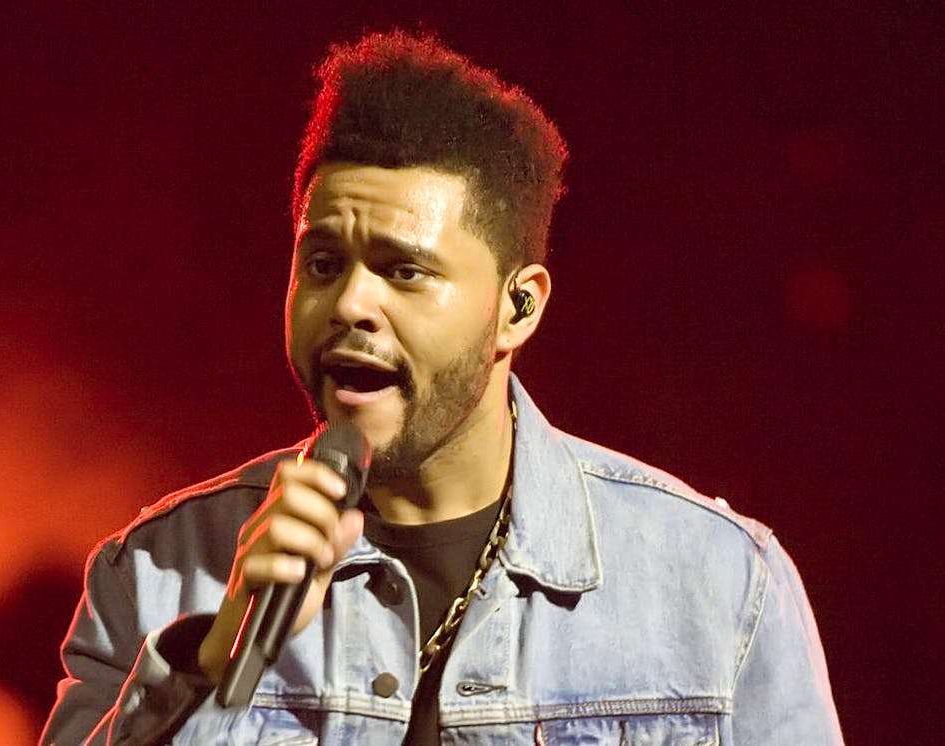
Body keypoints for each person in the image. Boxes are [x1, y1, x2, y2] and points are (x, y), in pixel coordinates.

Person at [41, 31, 843, 745]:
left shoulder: (717, 585)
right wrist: (216, 666)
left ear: (517, 307)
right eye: (323, 263)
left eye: (405, 271)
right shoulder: (155, 573)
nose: (350, 304)